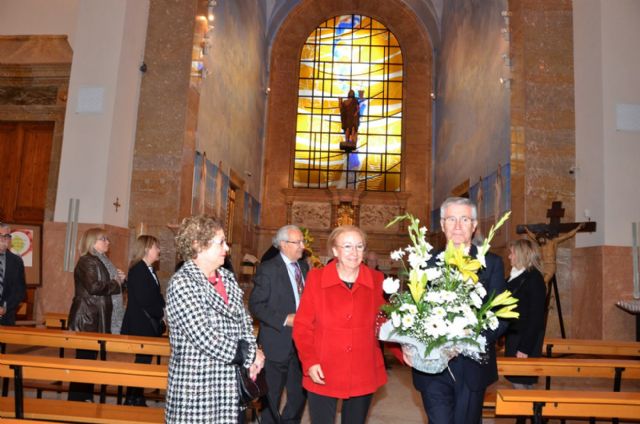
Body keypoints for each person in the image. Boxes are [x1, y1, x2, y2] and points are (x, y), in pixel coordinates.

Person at [409, 197, 506, 424]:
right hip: (432, 364)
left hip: (472, 366)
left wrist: (470, 339)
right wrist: (409, 344)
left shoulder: (491, 263)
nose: (458, 226)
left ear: (474, 226)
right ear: (443, 225)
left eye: (465, 219)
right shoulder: (425, 262)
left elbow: (501, 315)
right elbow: (411, 311)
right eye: (451, 219)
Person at [165, 215, 264, 423]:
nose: (226, 248)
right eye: (221, 242)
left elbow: (244, 320)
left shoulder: (226, 278)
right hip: (198, 387)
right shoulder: (182, 283)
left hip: (231, 384)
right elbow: (204, 337)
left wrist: (253, 355)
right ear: (198, 245)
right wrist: (249, 354)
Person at [293, 225, 387, 424]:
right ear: (335, 251)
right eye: (347, 246)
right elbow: (302, 326)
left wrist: (408, 349)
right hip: (323, 367)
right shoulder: (316, 278)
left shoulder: (376, 279)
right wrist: (310, 361)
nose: (354, 252)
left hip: (363, 368)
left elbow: (384, 323)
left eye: (359, 246)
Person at [249, 225, 309, 424]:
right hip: (276, 341)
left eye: (302, 241)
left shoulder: (304, 267)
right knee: (272, 395)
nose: (303, 246)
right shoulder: (268, 269)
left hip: (302, 342)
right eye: (297, 242)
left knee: (299, 394)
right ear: (283, 244)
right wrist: (285, 319)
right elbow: (256, 305)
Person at [67, 228, 124, 402]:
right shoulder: (87, 261)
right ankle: (78, 399)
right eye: (103, 239)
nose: (108, 242)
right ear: (92, 242)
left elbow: (107, 286)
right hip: (88, 316)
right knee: (84, 359)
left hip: (97, 315)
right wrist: (116, 282)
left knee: (90, 359)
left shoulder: (102, 261)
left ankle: (85, 396)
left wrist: (121, 281)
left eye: (107, 238)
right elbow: (94, 287)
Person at [121, 235, 165, 407]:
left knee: (144, 361)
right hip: (140, 323)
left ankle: (135, 396)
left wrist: (165, 308)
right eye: (156, 247)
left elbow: (156, 295)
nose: (159, 250)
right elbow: (144, 300)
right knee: (142, 362)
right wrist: (162, 312)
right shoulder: (138, 270)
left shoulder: (148, 269)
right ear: (146, 249)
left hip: (147, 323)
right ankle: (132, 397)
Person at [504, 239, 546, 389]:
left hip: (525, 339)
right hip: (515, 336)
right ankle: (526, 405)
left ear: (521, 255)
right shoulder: (514, 275)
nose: (509, 256)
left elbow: (536, 318)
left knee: (522, 382)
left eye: (512, 253)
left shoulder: (534, 278)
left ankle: (527, 406)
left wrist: (524, 348)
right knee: (518, 380)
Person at [0, 223, 26, 326]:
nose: (3, 239)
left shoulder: (17, 261)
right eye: (0, 235)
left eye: (6, 236)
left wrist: (5, 308)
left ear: (10, 239)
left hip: (5, 319)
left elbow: (20, 292)